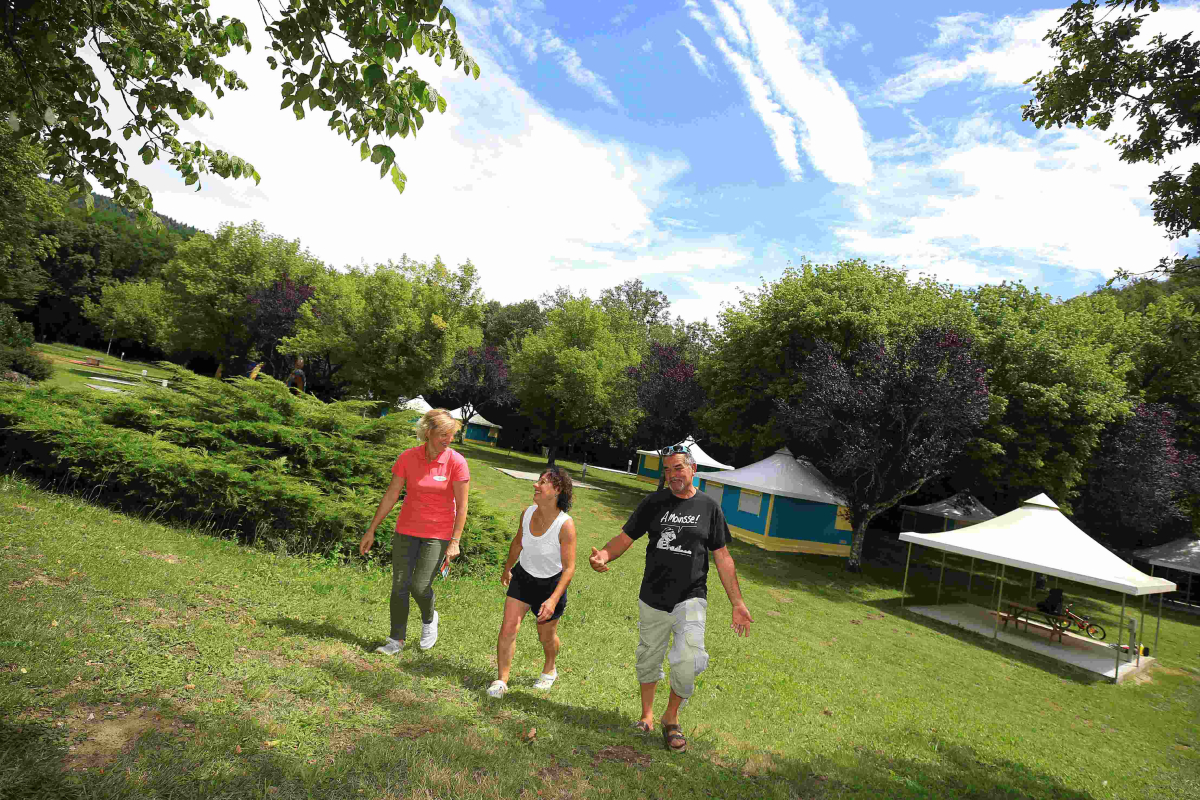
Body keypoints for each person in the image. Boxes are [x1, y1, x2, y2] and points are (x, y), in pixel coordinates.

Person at [589, 445, 753, 754]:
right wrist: (604, 555)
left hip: (691, 596)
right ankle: (647, 716)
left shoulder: (709, 508)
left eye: (678, 468)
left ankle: (671, 717)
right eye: (667, 470)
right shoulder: (654, 502)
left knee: (689, 659)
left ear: (693, 470)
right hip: (653, 595)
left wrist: (737, 603)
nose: (672, 475)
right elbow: (626, 537)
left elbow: (723, 557)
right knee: (649, 656)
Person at [360, 408, 470, 654]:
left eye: (451, 435)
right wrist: (372, 529)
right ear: (427, 432)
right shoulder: (408, 458)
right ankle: (395, 639)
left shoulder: (456, 462)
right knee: (399, 584)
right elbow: (391, 495)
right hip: (407, 529)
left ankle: (430, 618)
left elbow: (462, 506)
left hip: (438, 534)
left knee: (420, 586)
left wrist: (455, 541)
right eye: (443, 434)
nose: (448, 440)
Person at [487, 466, 578, 699]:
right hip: (523, 578)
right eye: (538, 481)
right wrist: (508, 568)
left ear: (557, 490)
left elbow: (569, 569)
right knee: (508, 627)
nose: (536, 485)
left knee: (546, 636)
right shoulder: (527, 513)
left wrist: (552, 599)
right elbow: (518, 542)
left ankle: (550, 668)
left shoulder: (565, 524)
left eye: (543, 482)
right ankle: (501, 680)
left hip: (550, 586)